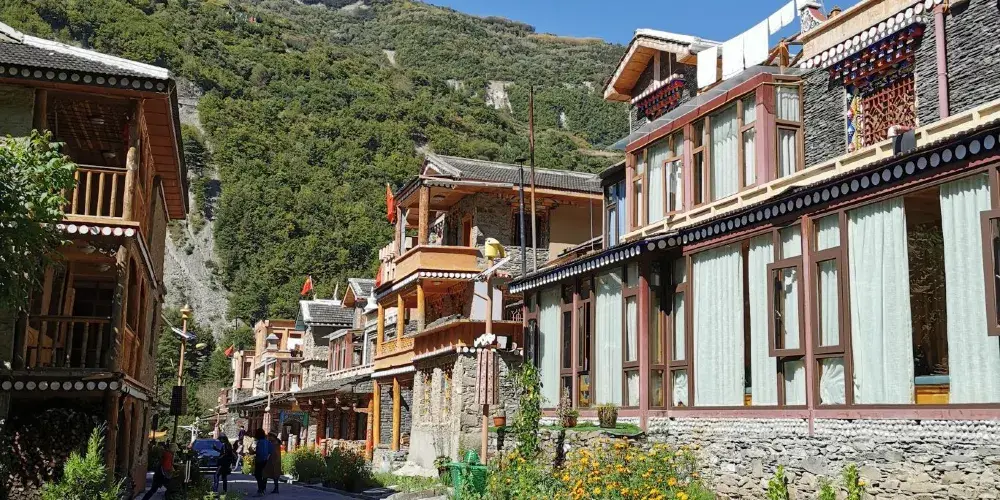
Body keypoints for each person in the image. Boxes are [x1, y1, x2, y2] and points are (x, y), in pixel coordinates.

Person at [252, 428, 271, 496]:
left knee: (258, 475)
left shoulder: (259, 442)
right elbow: (271, 451)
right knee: (264, 475)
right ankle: (263, 488)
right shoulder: (267, 441)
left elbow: (258, 451)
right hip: (266, 460)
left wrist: (253, 452)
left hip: (259, 460)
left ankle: (260, 490)